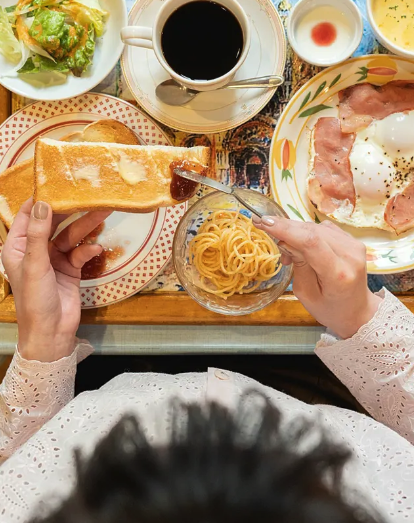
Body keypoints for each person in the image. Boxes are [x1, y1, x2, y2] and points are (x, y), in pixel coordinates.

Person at [1, 199, 414, 522]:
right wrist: (360, 321)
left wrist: (44, 344)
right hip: (316, 391)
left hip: (95, 387)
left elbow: (12, 464)